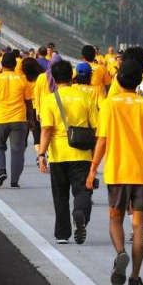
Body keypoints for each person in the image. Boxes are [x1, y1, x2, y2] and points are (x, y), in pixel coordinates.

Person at [86, 59, 143, 285]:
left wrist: (92, 169)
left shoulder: (109, 104)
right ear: (139, 81)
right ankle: (135, 277)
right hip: (141, 172)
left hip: (117, 172)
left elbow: (102, 140)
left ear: (118, 79)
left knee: (115, 218)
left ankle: (120, 253)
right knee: (138, 225)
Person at [38, 60, 97, 245]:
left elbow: (46, 129)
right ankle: (80, 214)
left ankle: (62, 234)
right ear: (71, 77)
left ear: (54, 79)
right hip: (82, 153)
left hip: (58, 154)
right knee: (83, 191)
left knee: (60, 194)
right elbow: (96, 127)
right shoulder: (85, 97)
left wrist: (41, 154)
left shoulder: (49, 99)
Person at [0, 52, 34, 188]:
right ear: (15, 65)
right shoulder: (22, 80)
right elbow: (28, 102)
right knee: (17, 150)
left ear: (2, 64)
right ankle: (15, 181)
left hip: (1, 119)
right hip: (19, 119)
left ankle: (1, 170)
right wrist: (30, 119)